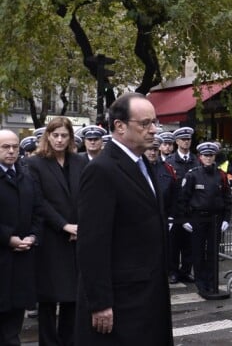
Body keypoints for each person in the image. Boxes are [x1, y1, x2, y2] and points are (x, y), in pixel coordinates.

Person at [75, 92, 173, 345]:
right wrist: (100, 303)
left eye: (155, 122)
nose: (154, 130)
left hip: (148, 293)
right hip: (122, 299)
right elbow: (92, 243)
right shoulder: (101, 170)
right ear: (119, 126)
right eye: (145, 123)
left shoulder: (144, 164)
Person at [27, 117, 88, 346]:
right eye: (56, 135)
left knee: (73, 296)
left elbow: (86, 196)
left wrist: (79, 226)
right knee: (48, 298)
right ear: (48, 137)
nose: (60, 140)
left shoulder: (79, 161)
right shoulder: (35, 163)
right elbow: (39, 202)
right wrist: (64, 225)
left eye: (64, 135)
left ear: (71, 137)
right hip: (51, 238)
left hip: (76, 237)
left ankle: (68, 341)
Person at [0, 129, 43, 346]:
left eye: (14, 147)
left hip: (22, 261)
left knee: (13, 326)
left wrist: (34, 236)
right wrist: (8, 238)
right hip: (3, 257)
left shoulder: (26, 176)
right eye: (5, 147)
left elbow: (38, 210)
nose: (11, 151)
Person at [180, 142, 232, 296]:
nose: (208, 158)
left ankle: (212, 282)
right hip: (198, 218)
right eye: (205, 155)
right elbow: (183, 199)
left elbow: (227, 199)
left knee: (213, 252)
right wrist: (184, 220)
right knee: (198, 252)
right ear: (200, 157)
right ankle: (201, 283)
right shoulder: (192, 174)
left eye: (211, 155)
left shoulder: (221, 175)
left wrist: (226, 219)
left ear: (214, 156)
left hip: (216, 219)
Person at [165, 126, 197, 284]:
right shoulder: (169, 162)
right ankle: (172, 271)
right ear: (177, 141)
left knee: (189, 243)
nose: (186, 142)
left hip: (190, 210)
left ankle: (186, 270)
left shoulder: (196, 160)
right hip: (175, 210)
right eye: (183, 139)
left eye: (188, 139)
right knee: (174, 244)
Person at [144, 135, 178, 224]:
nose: (152, 153)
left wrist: (172, 215)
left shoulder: (167, 168)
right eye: (149, 149)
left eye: (155, 149)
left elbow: (174, 193)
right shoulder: (137, 167)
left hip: (164, 215)